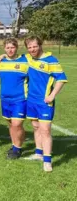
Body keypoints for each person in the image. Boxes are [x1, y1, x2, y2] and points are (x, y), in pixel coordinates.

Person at [23, 36, 67, 172]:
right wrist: (2, 55)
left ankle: (47, 161)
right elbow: (13, 57)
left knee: (45, 130)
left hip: (44, 102)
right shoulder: (28, 58)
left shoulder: (51, 60)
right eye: (29, 47)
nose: (32, 49)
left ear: (40, 45)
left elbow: (61, 79)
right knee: (36, 127)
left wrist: (52, 96)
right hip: (31, 100)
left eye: (34, 46)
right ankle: (38, 153)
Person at [0, 38, 29, 160]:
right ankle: (15, 145)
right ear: (4, 49)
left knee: (17, 124)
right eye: (7, 48)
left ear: (17, 47)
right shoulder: (1, 62)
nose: (10, 50)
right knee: (11, 125)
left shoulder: (26, 60)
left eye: (12, 47)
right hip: (5, 99)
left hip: (20, 99)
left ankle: (17, 150)